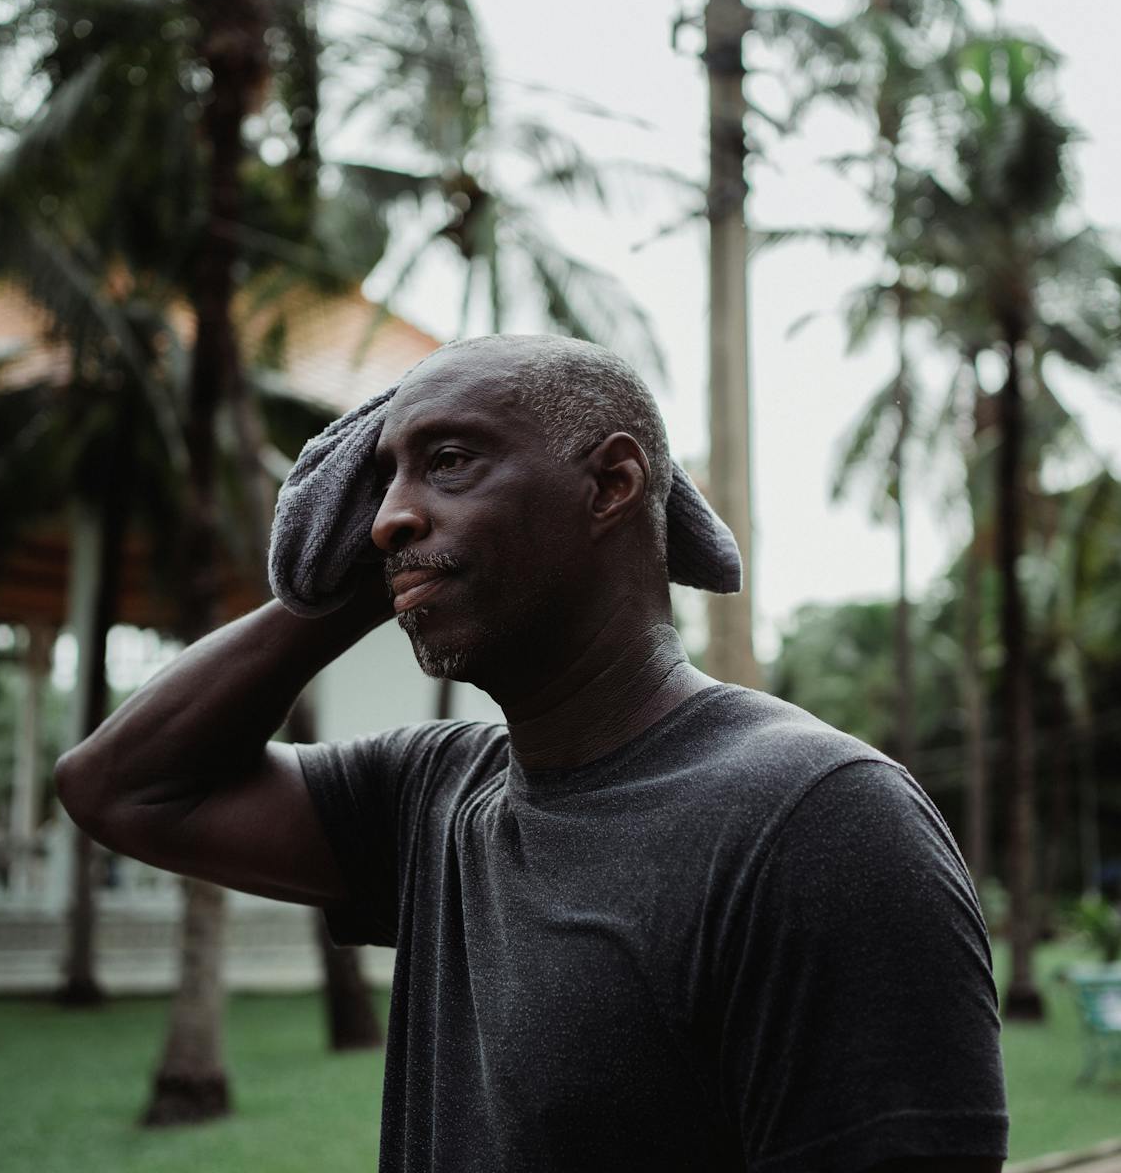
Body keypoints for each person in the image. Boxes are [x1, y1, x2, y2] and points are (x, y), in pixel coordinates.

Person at [56, 335, 1007, 1172]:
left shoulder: (818, 821)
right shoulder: (436, 798)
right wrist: (382, 564)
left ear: (610, 485)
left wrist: (425, 544)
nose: (387, 515)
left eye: (453, 459)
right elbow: (122, 788)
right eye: (382, 481)